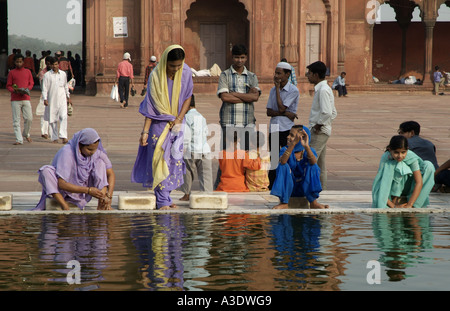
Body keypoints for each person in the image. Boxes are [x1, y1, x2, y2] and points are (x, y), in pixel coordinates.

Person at [131, 45, 193, 210]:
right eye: (172, 66)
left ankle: (167, 196)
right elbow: (150, 106)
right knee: (159, 159)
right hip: (159, 124)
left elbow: (188, 97)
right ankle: (162, 200)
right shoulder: (156, 76)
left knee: (174, 160)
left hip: (178, 123)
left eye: (178, 65)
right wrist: (145, 131)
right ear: (165, 61)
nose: (176, 69)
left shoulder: (186, 72)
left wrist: (179, 118)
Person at [32, 128, 116, 211]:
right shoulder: (67, 152)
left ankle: (102, 205)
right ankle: (64, 206)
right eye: (89, 149)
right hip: (63, 190)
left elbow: (110, 174)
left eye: (94, 149)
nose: (92, 152)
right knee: (45, 171)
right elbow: (62, 184)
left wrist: (109, 196)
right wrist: (88, 190)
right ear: (80, 145)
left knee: (100, 164)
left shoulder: (97, 153)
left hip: (80, 193)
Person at [271, 125, 328, 209]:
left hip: (304, 188)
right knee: (283, 166)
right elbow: (283, 161)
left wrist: (306, 146)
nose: (288, 137)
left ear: (302, 138)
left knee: (313, 166)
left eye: (292, 135)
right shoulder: (285, 149)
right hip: (289, 189)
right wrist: (293, 143)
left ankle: (313, 202)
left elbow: (314, 162)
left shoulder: (309, 150)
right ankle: (284, 202)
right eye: (289, 134)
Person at [217, 44, 261, 151]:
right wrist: (247, 96)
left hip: (247, 121)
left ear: (246, 58)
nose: (239, 60)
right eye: (237, 57)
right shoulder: (225, 75)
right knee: (228, 155)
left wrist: (234, 94)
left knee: (246, 154)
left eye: (242, 57)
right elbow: (225, 97)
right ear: (232, 57)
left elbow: (255, 97)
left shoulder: (252, 76)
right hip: (229, 121)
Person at [372, 135, 435, 209]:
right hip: (392, 191)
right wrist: (393, 206)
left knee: (429, 165)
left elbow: (419, 182)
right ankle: (394, 199)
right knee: (395, 165)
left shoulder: (411, 157)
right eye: (396, 152)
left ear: (407, 150)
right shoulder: (386, 157)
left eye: (403, 152)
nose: (400, 156)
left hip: (409, 187)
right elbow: (380, 184)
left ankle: (416, 204)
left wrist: (410, 205)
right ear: (390, 150)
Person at [266, 61, 299, 189]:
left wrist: (278, 90)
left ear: (287, 74)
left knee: (287, 156)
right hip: (274, 127)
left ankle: (287, 183)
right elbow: (269, 111)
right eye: (276, 73)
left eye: (279, 73)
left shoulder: (293, 90)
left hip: (287, 129)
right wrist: (287, 113)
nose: (276, 76)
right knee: (273, 157)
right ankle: (272, 185)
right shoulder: (272, 90)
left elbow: (280, 108)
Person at [306, 61, 337, 190]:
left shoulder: (323, 90)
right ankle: (321, 190)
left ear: (316, 75)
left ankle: (309, 190)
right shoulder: (324, 88)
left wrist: (318, 125)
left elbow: (328, 112)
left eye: (309, 73)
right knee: (320, 163)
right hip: (322, 130)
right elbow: (333, 112)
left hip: (319, 131)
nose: (307, 75)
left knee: (310, 160)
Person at [179, 94, 213, 201]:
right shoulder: (202, 117)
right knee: (206, 174)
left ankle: (187, 194)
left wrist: (183, 148)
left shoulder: (186, 117)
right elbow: (206, 132)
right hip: (205, 149)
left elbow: (187, 135)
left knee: (188, 171)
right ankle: (207, 195)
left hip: (191, 150)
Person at [6, 53, 34, 145]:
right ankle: (19, 139)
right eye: (17, 62)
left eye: (20, 62)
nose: (19, 63)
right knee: (16, 120)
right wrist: (14, 90)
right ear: (14, 62)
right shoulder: (12, 72)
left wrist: (27, 89)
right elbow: (8, 85)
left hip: (26, 97)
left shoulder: (28, 72)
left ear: (23, 62)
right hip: (15, 99)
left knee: (29, 118)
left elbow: (31, 83)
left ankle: (26, 133)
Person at [42, 57, 71, 144]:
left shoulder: (63, 74)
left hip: (62, 99)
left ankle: (63, 136)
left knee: (63, 116)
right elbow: (44, 88)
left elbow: (66, 86)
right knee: (53, 118)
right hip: (52, 99)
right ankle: (54, 137)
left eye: (56, 64)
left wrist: (68, 97)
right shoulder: (47, 75)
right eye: (53, 64)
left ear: (58, 64)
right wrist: (45, 98)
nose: (55, 66)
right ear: (50, 65)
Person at [37, 56, 52, 139]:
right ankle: (44, 132)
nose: (50, 65)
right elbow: (43, 86)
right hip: (44, 95)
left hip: (53, 96)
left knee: (52, 115)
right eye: (48, 64)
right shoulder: (43, 73)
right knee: (43, 114)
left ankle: (51, 132)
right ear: (46, 63)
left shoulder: (56, 73)